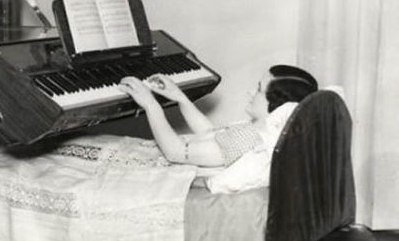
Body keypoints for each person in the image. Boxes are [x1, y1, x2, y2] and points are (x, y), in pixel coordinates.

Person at [118, 65, 318, 173]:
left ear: (277, 105)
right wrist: (179, 97)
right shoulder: (257, 131)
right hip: (171, 153)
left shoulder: (251, 141)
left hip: (167, 164)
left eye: (258, 89)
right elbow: (209, 134)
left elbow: (175, 153)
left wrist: (150, 104)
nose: (250, 92)